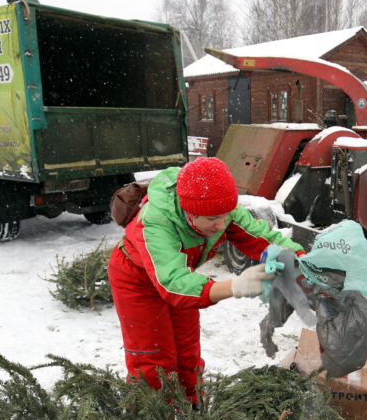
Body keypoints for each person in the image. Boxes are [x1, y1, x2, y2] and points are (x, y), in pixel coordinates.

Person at [108, 157, 304, 404]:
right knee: (154, 358)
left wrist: (299, 258)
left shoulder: (221, 209)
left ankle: (192, 411)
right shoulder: (155, 221)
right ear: (188, 211)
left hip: (182, 275)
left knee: (187, 351)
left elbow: (260, 235)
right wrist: (234, 286)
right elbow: (172, 283)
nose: (221, 225)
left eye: (225, 216)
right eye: (212, 219)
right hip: (137, 281)